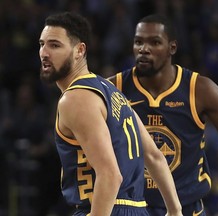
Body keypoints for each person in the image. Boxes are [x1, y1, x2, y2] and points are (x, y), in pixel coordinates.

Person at [107, 14, 218, 216]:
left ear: (172, 47)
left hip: (187, 209)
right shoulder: (112, 89)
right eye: (138, 42)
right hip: (132, 208)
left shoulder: (200, 90)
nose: (144, 49)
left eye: (154, 42)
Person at [38, 12, 183, 216]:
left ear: (79, 50)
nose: (44, 52)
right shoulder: (112, 92)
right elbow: (154, 156)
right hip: (139, 210)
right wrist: (175, 210)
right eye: (42, 44)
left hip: (105, 208)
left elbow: (110, 175)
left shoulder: (76, 98)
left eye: (54, 45)